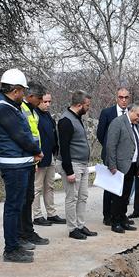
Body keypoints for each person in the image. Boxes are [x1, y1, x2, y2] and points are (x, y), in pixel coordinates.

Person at [0, 68, 41, 263]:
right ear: (16, 90)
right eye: (22, 91)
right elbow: (19, 135)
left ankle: (16, 242)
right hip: (13, 164)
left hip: (22, 162)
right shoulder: (2, 107)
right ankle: (10, 249)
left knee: (20, 204)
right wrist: (36, 149)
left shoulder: (12, 105)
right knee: (13, 206)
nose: (24, 95)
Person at [57, 90, 97, 240]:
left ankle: (80, 225)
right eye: (87, 105)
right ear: (79, 105)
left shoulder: (77, 117)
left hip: (82, 164)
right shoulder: (65, 121)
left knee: (83, 196)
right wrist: (69, 171)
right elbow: (64, 148)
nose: (88, 108)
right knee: (72, 198)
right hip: (72, 165)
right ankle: (72, 228)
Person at [103, 102, 139, 233]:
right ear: (131, 111)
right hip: (119, 166)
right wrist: (112, 165)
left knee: (126, 195)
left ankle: (122, 218)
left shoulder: (137, 126)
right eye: (138, 115)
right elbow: (111, 146)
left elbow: (138, 146)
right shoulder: (118, 122)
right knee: (117, 196)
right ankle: (115, 222)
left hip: (132, 165)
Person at [19, 83, 49, 249]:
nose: (40, 102)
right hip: (24, 159)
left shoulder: (32, 110)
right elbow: (24, 135)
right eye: (39, 99)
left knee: (29, 197)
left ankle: (29, 231)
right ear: (30, 96)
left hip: (32, 159)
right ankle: (23, 234)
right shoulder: (21, 109)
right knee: (23, 200)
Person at [96, 87, 131, 225]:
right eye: (121, 97)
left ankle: (121, 214)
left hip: (126, 157)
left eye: (126, 97)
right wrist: (110, 150)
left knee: (124, 188)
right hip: (110, 155)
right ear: (116, 97)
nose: (123, 100)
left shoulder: (132, 113)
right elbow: (101, 134)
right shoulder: (107, 112)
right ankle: (107, 215)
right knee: (110, 186)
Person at [32, 92, 65, 227]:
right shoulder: (34, 115)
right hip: (40, 156)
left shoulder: (47, 116)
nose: (47, 104)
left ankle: (51, 213)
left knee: (49, 186)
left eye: (49, 102)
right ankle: (37, 215)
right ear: (39, 101)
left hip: (50, 154)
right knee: (37, 187)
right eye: (45, 102)